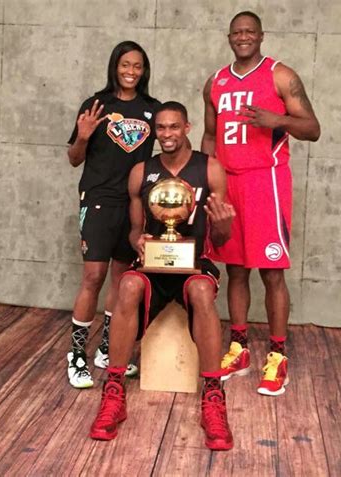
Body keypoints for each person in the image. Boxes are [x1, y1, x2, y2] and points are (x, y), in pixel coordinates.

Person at [89, 102, 236, 451]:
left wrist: (224, 228)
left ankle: (213, 396)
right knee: (126, 284)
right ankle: (114, 391)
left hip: (194, 262)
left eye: (174, 127)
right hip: (154, 264)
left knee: (201, 291)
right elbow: (135, 230)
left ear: (187, 127)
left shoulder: (210, 169)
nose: (167, 135)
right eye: (161, 129)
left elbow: (219, 240)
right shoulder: (142, 171)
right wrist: (137, 241)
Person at [201, 11, 320, 396]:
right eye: (237, 32)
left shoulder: (280, 75)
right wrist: (206, 181)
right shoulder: (215, 82)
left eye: (250, 31)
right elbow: (207, 135)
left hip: (265, 181)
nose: (243, 37)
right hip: (227, 183)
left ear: (261, 36)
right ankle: (238, 348)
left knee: (271, 271)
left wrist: (278, 120)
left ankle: (277, 355)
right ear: (229, 37)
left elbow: (313, 129)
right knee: (235, 269)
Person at [66, 41, 161, 388]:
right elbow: (74, 158)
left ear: (144, 70)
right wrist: (84, 136)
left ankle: (107, 348)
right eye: (125, 65)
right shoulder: (97, 105)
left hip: (135, 203)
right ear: (114, 67)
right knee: (93, 276)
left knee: (121, 282)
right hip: (99, 199)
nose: (131, 72)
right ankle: (77, 355)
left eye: (137, 66)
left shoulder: (153, 108)